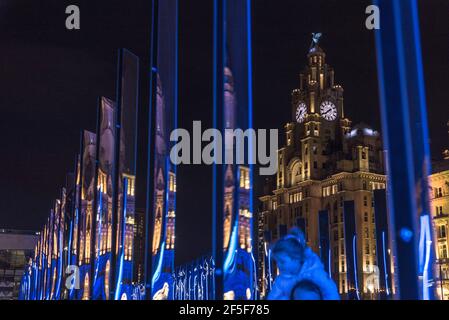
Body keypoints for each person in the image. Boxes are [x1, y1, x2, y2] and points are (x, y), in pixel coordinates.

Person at [267, 227, 339, 300]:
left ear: (296, 258)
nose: (278, 265)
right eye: (277, 262)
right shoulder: (281, 281)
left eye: (282, 261)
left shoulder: (315, 272)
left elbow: (330, 291)